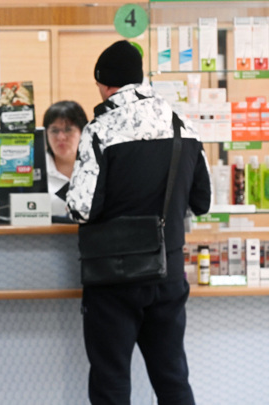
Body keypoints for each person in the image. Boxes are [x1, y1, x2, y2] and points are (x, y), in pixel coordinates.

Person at [66, 40, 212, 405]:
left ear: (103, 83)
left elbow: (81, 209)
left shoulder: (100, 130)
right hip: (168, 271)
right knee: (172, 377)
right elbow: (203, 202)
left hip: (113, 278)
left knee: (112, 381)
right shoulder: (184, 127)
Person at [42, 100, 87, 218]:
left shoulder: (97, 166)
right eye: (54, 130)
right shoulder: (36, 169)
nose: (61, 137)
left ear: (83, 132)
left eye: (68, 130)